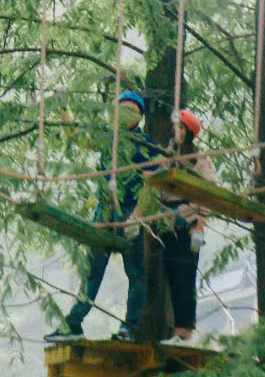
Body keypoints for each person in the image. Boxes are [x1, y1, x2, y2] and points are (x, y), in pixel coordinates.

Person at [48, 90, 162, 343]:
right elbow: (79, 138)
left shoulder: (146, 146)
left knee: (135, 274)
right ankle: (74, 323)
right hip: (105, 213)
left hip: (129, 215)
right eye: (121, 108)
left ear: (140, 116)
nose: (125, 114)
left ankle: (130, 328)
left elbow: (152, 183)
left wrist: (137, 216)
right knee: (92, 272)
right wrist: (63, 109)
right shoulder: (109, 139)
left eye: (131, 109)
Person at [159, 108, 215, 340]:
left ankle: (185, 330)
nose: (176, 131)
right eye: (176, 127)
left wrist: (199, 227)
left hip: (188, 221)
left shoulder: (200, 160)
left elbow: (208, 194)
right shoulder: (168, 157)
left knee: (185, 276)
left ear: (189, 132)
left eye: (181, 128)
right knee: (170, 276)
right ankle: (174, 329)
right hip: (167, 223)